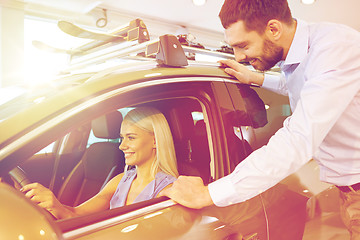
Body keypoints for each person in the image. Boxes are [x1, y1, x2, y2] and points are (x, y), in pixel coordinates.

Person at [161, 0, 360, 238]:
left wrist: (209, 194)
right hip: (349, 189)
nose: (239, 56)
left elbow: (298, 138)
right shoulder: (300, 55)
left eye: (243, 45)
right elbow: (297, 84)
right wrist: (256, 79)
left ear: (273, 29)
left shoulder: (334, 49)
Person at [21, 107, 178, 219]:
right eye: (122, 138)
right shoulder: (122, 180)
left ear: (155, 141)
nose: (122, 146)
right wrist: (52, 204)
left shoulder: (168, 190)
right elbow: (76, 214)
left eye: (131, 137)